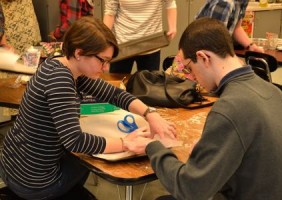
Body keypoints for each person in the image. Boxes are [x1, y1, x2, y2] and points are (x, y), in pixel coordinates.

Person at [0, 16, 176, 200]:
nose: (106, 68)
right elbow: (75, 141)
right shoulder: (60, 80)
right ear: (79, 52)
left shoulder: (65, 65)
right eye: (102, 60)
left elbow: (114, 94)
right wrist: (126, 143)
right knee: (92, 158)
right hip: (33, 182)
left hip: (13, 163)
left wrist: (151, 114)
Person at [124, 17, 282, 200]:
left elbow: (189, 190)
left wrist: (153, 147)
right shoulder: (273, 91)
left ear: (203, 57)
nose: (191, 78)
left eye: (190, 69)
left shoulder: (229, 107)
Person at [103, 0, 177, 74]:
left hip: (151, 44)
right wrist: (104, 40)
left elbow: (170, 3)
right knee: (117, 83)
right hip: (123, 44)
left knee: (149, 83)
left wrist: (172, 27)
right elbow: (110, 12)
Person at [195, 0, 263, 53]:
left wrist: (251, 46)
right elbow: (213, 40)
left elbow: (236, 28)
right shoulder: (225, 3)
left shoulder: (241, 2)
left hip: (213, 49)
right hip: (200, 52)